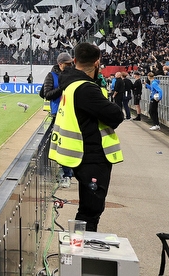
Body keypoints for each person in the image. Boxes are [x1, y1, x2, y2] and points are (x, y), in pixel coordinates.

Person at [49, 42, 124, 232]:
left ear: (75, 61)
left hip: (82, 153)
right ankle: (82, 252)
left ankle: (81, 251)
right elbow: (116, 115)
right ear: (97, 62)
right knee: (90, 211)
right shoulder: (85, 88)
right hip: (91, 154)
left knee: (88, 209)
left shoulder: (73, 84)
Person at [41, 52, 75, 188]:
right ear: (60, 64)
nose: (69, 66)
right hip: (58, 114)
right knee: (59, 144)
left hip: (72, 113)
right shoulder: (51, 76)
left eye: (70, 63)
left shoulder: (73, 75)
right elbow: (47, 94)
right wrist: (62, 88)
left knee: (69, 144)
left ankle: (66, 172)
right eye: (67, 64)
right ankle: (66, 173)